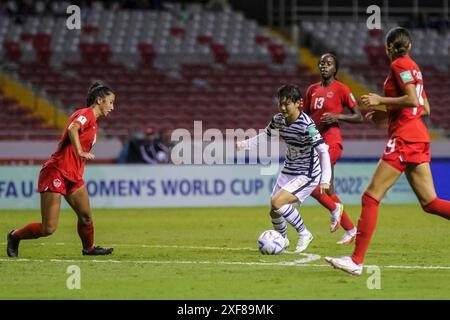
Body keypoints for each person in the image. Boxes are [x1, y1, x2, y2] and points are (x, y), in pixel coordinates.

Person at [325, 27, 450, 275]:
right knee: (430, 203)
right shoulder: (415, 68)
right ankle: (356, 261)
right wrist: (385, 116)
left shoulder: (399, 66)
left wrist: (380, 100)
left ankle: (356, 262)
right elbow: (424, 108)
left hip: (405, 139)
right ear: (410, 46)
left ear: (388, 47)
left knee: (370, 197)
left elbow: (413, 100)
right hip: (417, 137)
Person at [6, 81, 115, 257]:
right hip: (56, 171)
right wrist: (80, 151)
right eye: (110, 102)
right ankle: (14, 236)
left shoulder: (94, 123)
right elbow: (73, 128)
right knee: (48, 228)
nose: (112, 107)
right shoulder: (85, 114)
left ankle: (89, 249)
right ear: (99, 100)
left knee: (86, 217)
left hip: (74, 175)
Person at [237, 84, 332, 252]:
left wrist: (325, 180)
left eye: (287, 104)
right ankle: (283, 239)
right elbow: (266, 134)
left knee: (277, 202)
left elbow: (323, 151)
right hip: (289, 169)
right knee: (274, 210)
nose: (282, 107)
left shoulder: (307, 126)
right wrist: (246, 144)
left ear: (298, 103)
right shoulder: (279, 119)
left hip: (307, 173)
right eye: (280, 103)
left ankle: (304, 233)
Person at [303, 53, 363, 245]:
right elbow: (304, 118)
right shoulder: (312, 90)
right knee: (327, 190)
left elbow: (358, 117)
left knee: (313, 184)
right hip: (317, 144)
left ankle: (335, 210)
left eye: (328, 64)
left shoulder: (342, 89)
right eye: (321, 63)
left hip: (332, 142)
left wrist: (338, 116)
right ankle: (351, 230)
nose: (323, 66)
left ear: (335, 69)